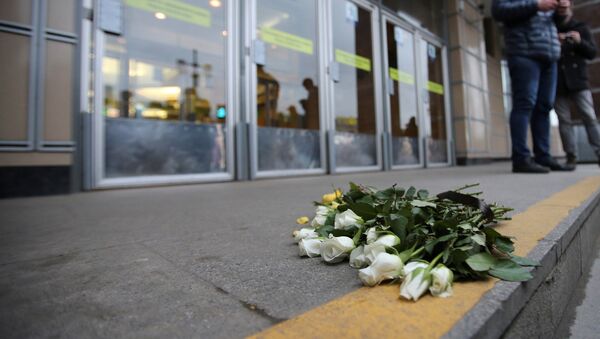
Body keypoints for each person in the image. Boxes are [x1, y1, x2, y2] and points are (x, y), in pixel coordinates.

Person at [493, 0, 570, 173]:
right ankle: (521, 158)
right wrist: (536, 5)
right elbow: (498, 11)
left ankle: (543, 156)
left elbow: (554, 24)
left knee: (544, 107)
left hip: (549, 55)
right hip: (524, 52)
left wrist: (561, 12)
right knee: (524, 104)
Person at [554, 0, 600, 169]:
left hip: (579, 80)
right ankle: (571, 156)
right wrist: (555, 42)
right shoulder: (550, 27)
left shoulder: (581, 27)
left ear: (570, 6)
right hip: (558, 81)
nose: (562, 10)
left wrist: (579, 41)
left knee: (589, 116)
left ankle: (599, 152)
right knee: (564, 119)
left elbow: (592, 52)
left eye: (565, 7)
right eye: (559, 7)